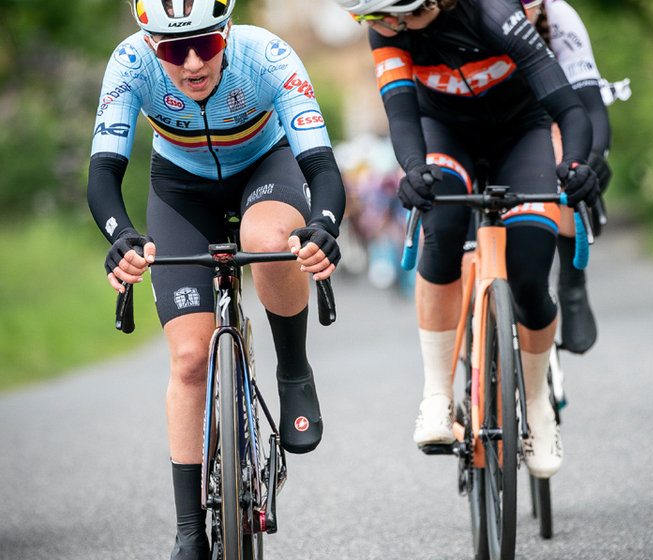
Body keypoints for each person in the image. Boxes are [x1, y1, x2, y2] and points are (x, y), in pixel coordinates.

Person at [87, 1, 345, 557]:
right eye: (174, 50)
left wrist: (323, 225)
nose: (192, 63)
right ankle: (188, 532)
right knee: (189, 358)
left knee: (269, 241)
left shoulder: (267, 55)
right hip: (180, 188)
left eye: (206, 44)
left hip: (266, 169)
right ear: (152, 45)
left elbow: (321, 165)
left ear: (227, 32)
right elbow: (103, 173)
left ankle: (293, 369)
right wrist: (121, 237)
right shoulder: (130, 63)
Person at [335, 0, 599, 478]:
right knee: (441, 228)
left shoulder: (492, 13)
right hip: (445, 132)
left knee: (529, 270)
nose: (387, 28)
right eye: (374, 20)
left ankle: (537, 404)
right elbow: (402, 115)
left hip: (520, 133)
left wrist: (576, 164)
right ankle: (436, 395)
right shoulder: (388, 27)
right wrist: (413, 170)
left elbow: (568, 108)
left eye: (395, 17)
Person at [523, 0, 613, 354]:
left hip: (552, 118)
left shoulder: (559, 17)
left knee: (566, 159)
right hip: (490, 124)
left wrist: (592, 159)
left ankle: (572, 282)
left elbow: (591, 106)